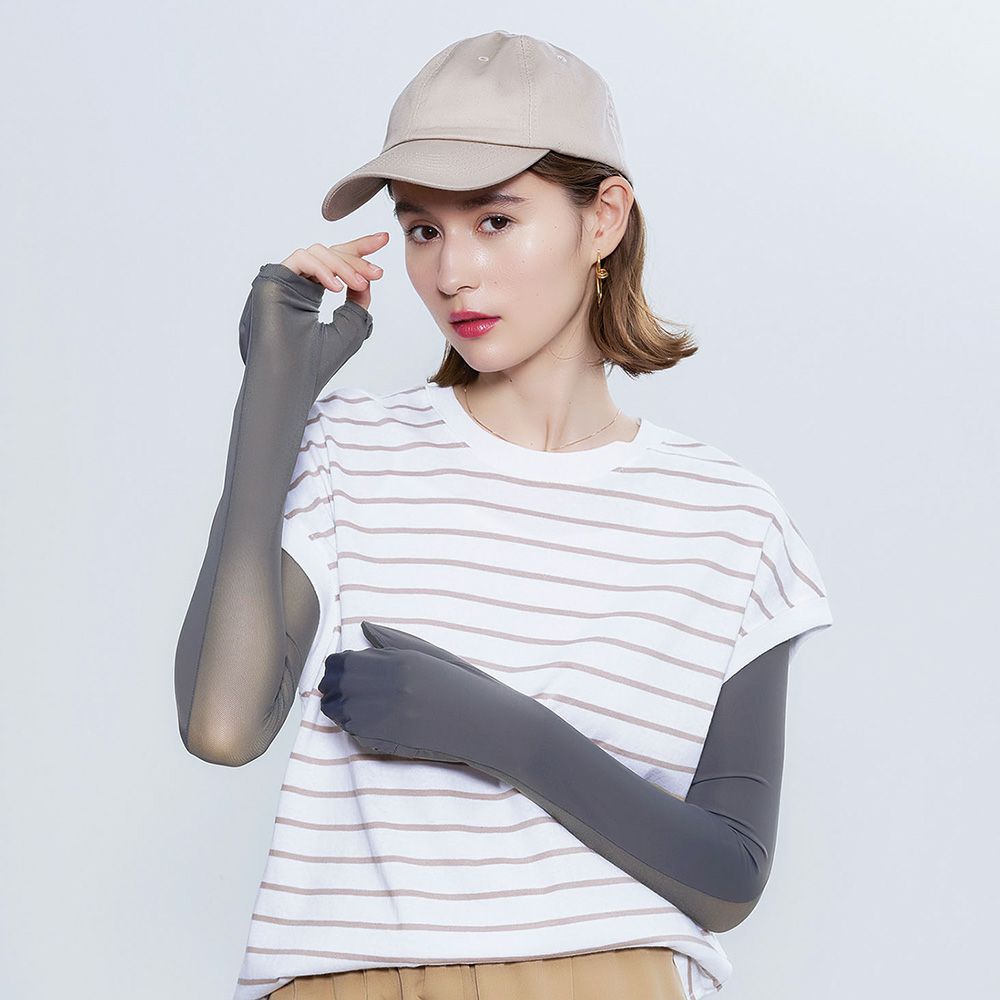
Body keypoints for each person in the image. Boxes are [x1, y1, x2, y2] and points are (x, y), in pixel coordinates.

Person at [174, 30, 833, 1000]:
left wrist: (507, 733)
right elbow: (223, 724)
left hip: (606, 979)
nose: (452, 273)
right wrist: (272, 396)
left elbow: (729, 875)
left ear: (603, 218)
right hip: (348, 979)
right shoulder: (348, 449)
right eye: (421, 229)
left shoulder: (728, 518)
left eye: (494, 220)